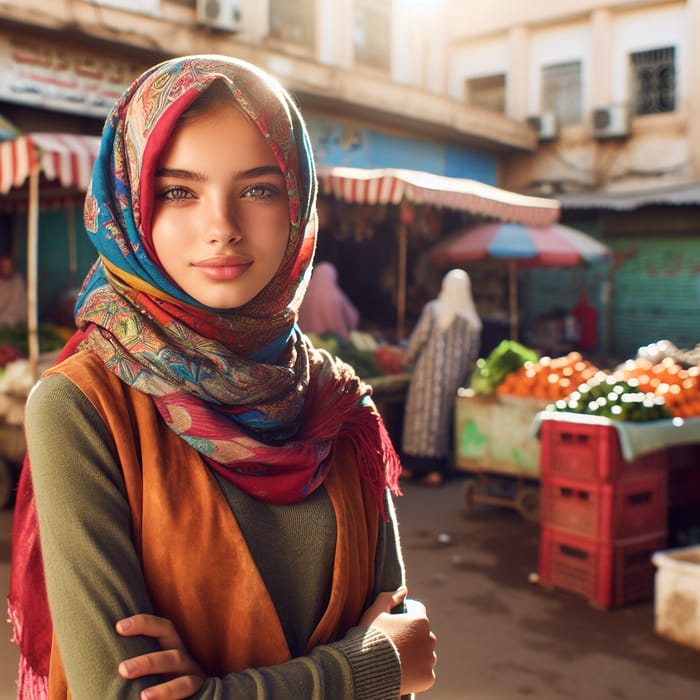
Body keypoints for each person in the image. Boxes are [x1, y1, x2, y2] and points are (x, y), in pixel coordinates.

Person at [8, 55, 436, 700]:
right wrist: (361, 670)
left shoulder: (337, 401)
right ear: (131, 208)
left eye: (259, 188)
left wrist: (218, 688)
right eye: (179, 191)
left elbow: (403, 643)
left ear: (298, 205)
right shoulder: (82, 407)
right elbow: (392, 663)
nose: (222, 228)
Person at [400, 269, 482, 486]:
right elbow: (473, 356)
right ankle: (434, 471)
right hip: (453, 380)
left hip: (426, 376)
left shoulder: (434, 310)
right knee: (440, 422)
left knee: (419, 420)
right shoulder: (472, 322)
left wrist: (406, 361)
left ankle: (410, 467)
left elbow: (417, 340)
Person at [298, 260, 360, 340]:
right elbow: (353, 317)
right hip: (333, 343)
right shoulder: (336, 296)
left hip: (306, 340)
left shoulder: (303, 294)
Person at [0, 253, 27, 327]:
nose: (6, 269)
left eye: (9, 266)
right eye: (4, 266)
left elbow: (18, 307)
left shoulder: (18, 281)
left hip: (14, 320)